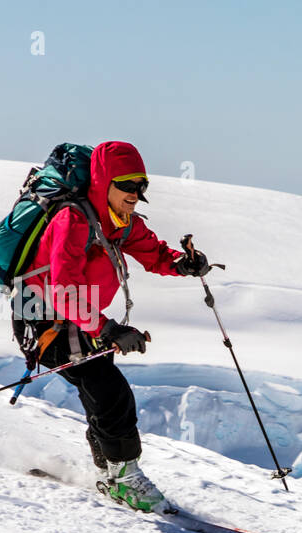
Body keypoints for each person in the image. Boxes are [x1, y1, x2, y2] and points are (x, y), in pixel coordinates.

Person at [19, 140, 209, 512]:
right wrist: (106, 329)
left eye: (141, 185)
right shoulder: (72, 220)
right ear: (104, 181)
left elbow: (153, 253)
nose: (135, 194)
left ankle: (111, 471)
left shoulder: (119, 221)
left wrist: (183, 264)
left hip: (77, 319)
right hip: (43, 317)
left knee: (99, 386)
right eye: (127, 184)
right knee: (110, 389)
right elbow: (61, 289)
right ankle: (123, 477)